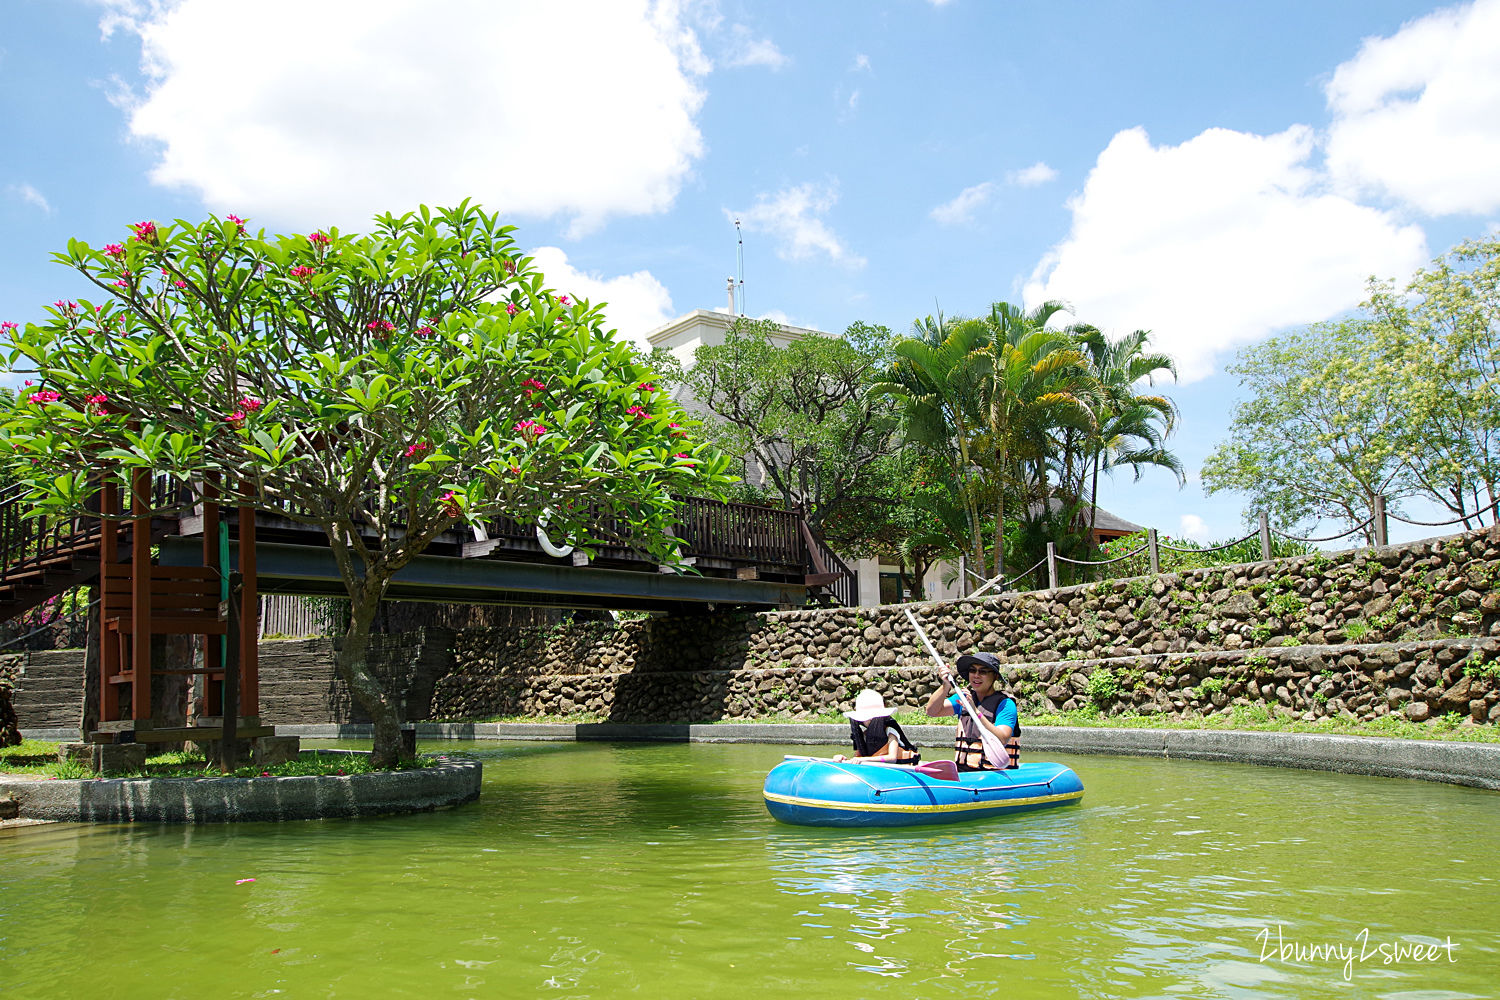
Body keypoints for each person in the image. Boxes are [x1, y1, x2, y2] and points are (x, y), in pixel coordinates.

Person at [924, 651, 1021, 771]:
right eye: (972, 670)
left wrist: (975, 712)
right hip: (964, 771)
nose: (976, 675)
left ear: (995, 676)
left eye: (983, 672)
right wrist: (945, 686)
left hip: (996, 773)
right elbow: (932, 711)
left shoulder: (1006, 704)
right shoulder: (963, 698)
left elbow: (1002, 738)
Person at [832, 689, 921, 765]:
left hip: (904, 768)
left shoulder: (890, 731)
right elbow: (856, 759)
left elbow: (892, 758)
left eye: (871, 718)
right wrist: (843, 759)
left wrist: (864, 759)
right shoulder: (865, 735)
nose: (869, 720)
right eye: (866, 718)